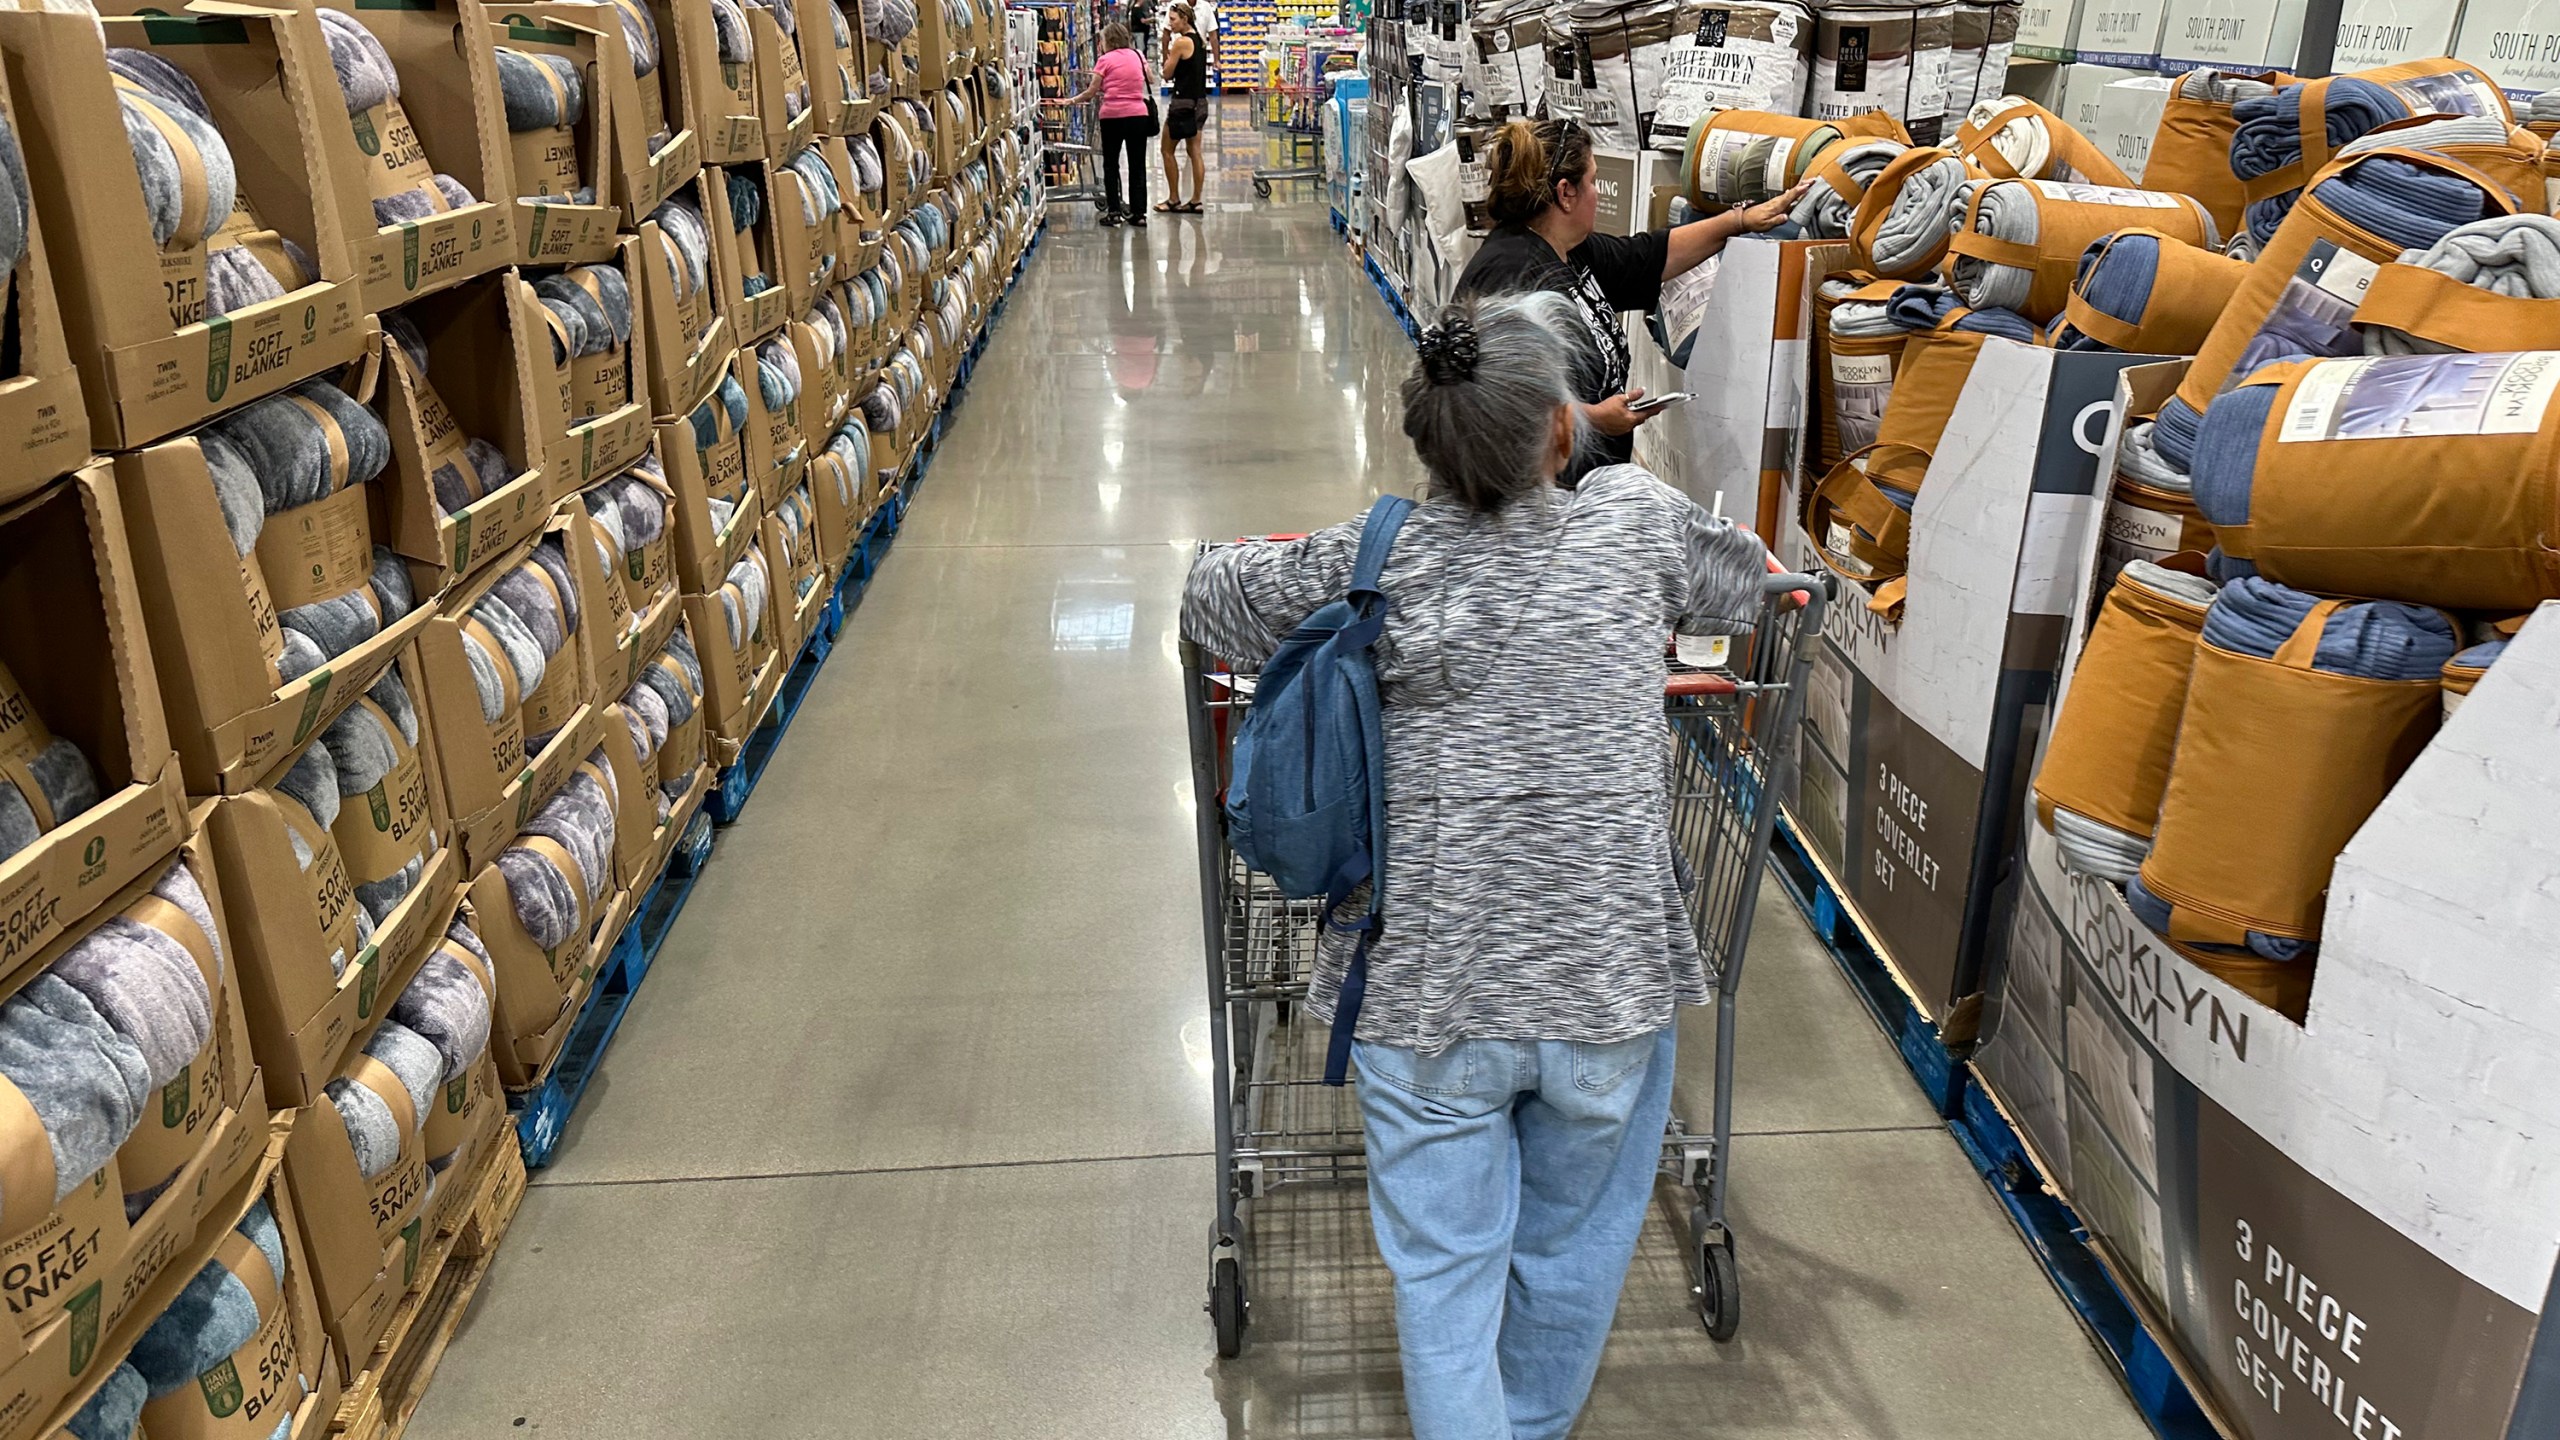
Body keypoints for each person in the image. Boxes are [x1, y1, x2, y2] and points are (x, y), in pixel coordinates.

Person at [1179, 292, 1774, 1440]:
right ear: (1564, 432)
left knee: (1445, 1283)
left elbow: (1215, 599)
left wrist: (1224, 561)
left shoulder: (1374, 557)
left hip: (1427, 991)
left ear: (1429, 441)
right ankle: (1536, 1422)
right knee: (1565, 1255)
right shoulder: (1637, 525)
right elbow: (1746, 584)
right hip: (1605, 984)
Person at [1456, 116, 1806, 481]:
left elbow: (1650, 256)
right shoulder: (1511, 276)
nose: (1597, 193)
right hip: (1535, 507)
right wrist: (1591, 419)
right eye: (1592, 181)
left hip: (1584, 492)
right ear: (1565, 192)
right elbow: (1495, 403)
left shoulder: (1568, 251)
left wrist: (1742, 220)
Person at [1045, 24, 1154, 227]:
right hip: (1138, 116)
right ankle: (1139, 214)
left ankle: (1114, 212)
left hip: (1112, 117)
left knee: (1111, 165)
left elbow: (1091, 91)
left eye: (1102, 41)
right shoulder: (1138, 55)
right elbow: (1151, 79)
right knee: (1137, 165)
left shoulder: (1104, 60)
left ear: (1109, 41)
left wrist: (1070, 101)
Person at [1154, 3, 1209, 213]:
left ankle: (1174, 198)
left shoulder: (1181, 43)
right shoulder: (1199, 40)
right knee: (1195, 151)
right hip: (1200, 103)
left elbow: (1166, 74)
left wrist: (1168, 58)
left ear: (1185, 18)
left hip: (1182, 104)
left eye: (1174, 19)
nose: (1171, 23)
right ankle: (1196, 200)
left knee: (1166, 150)